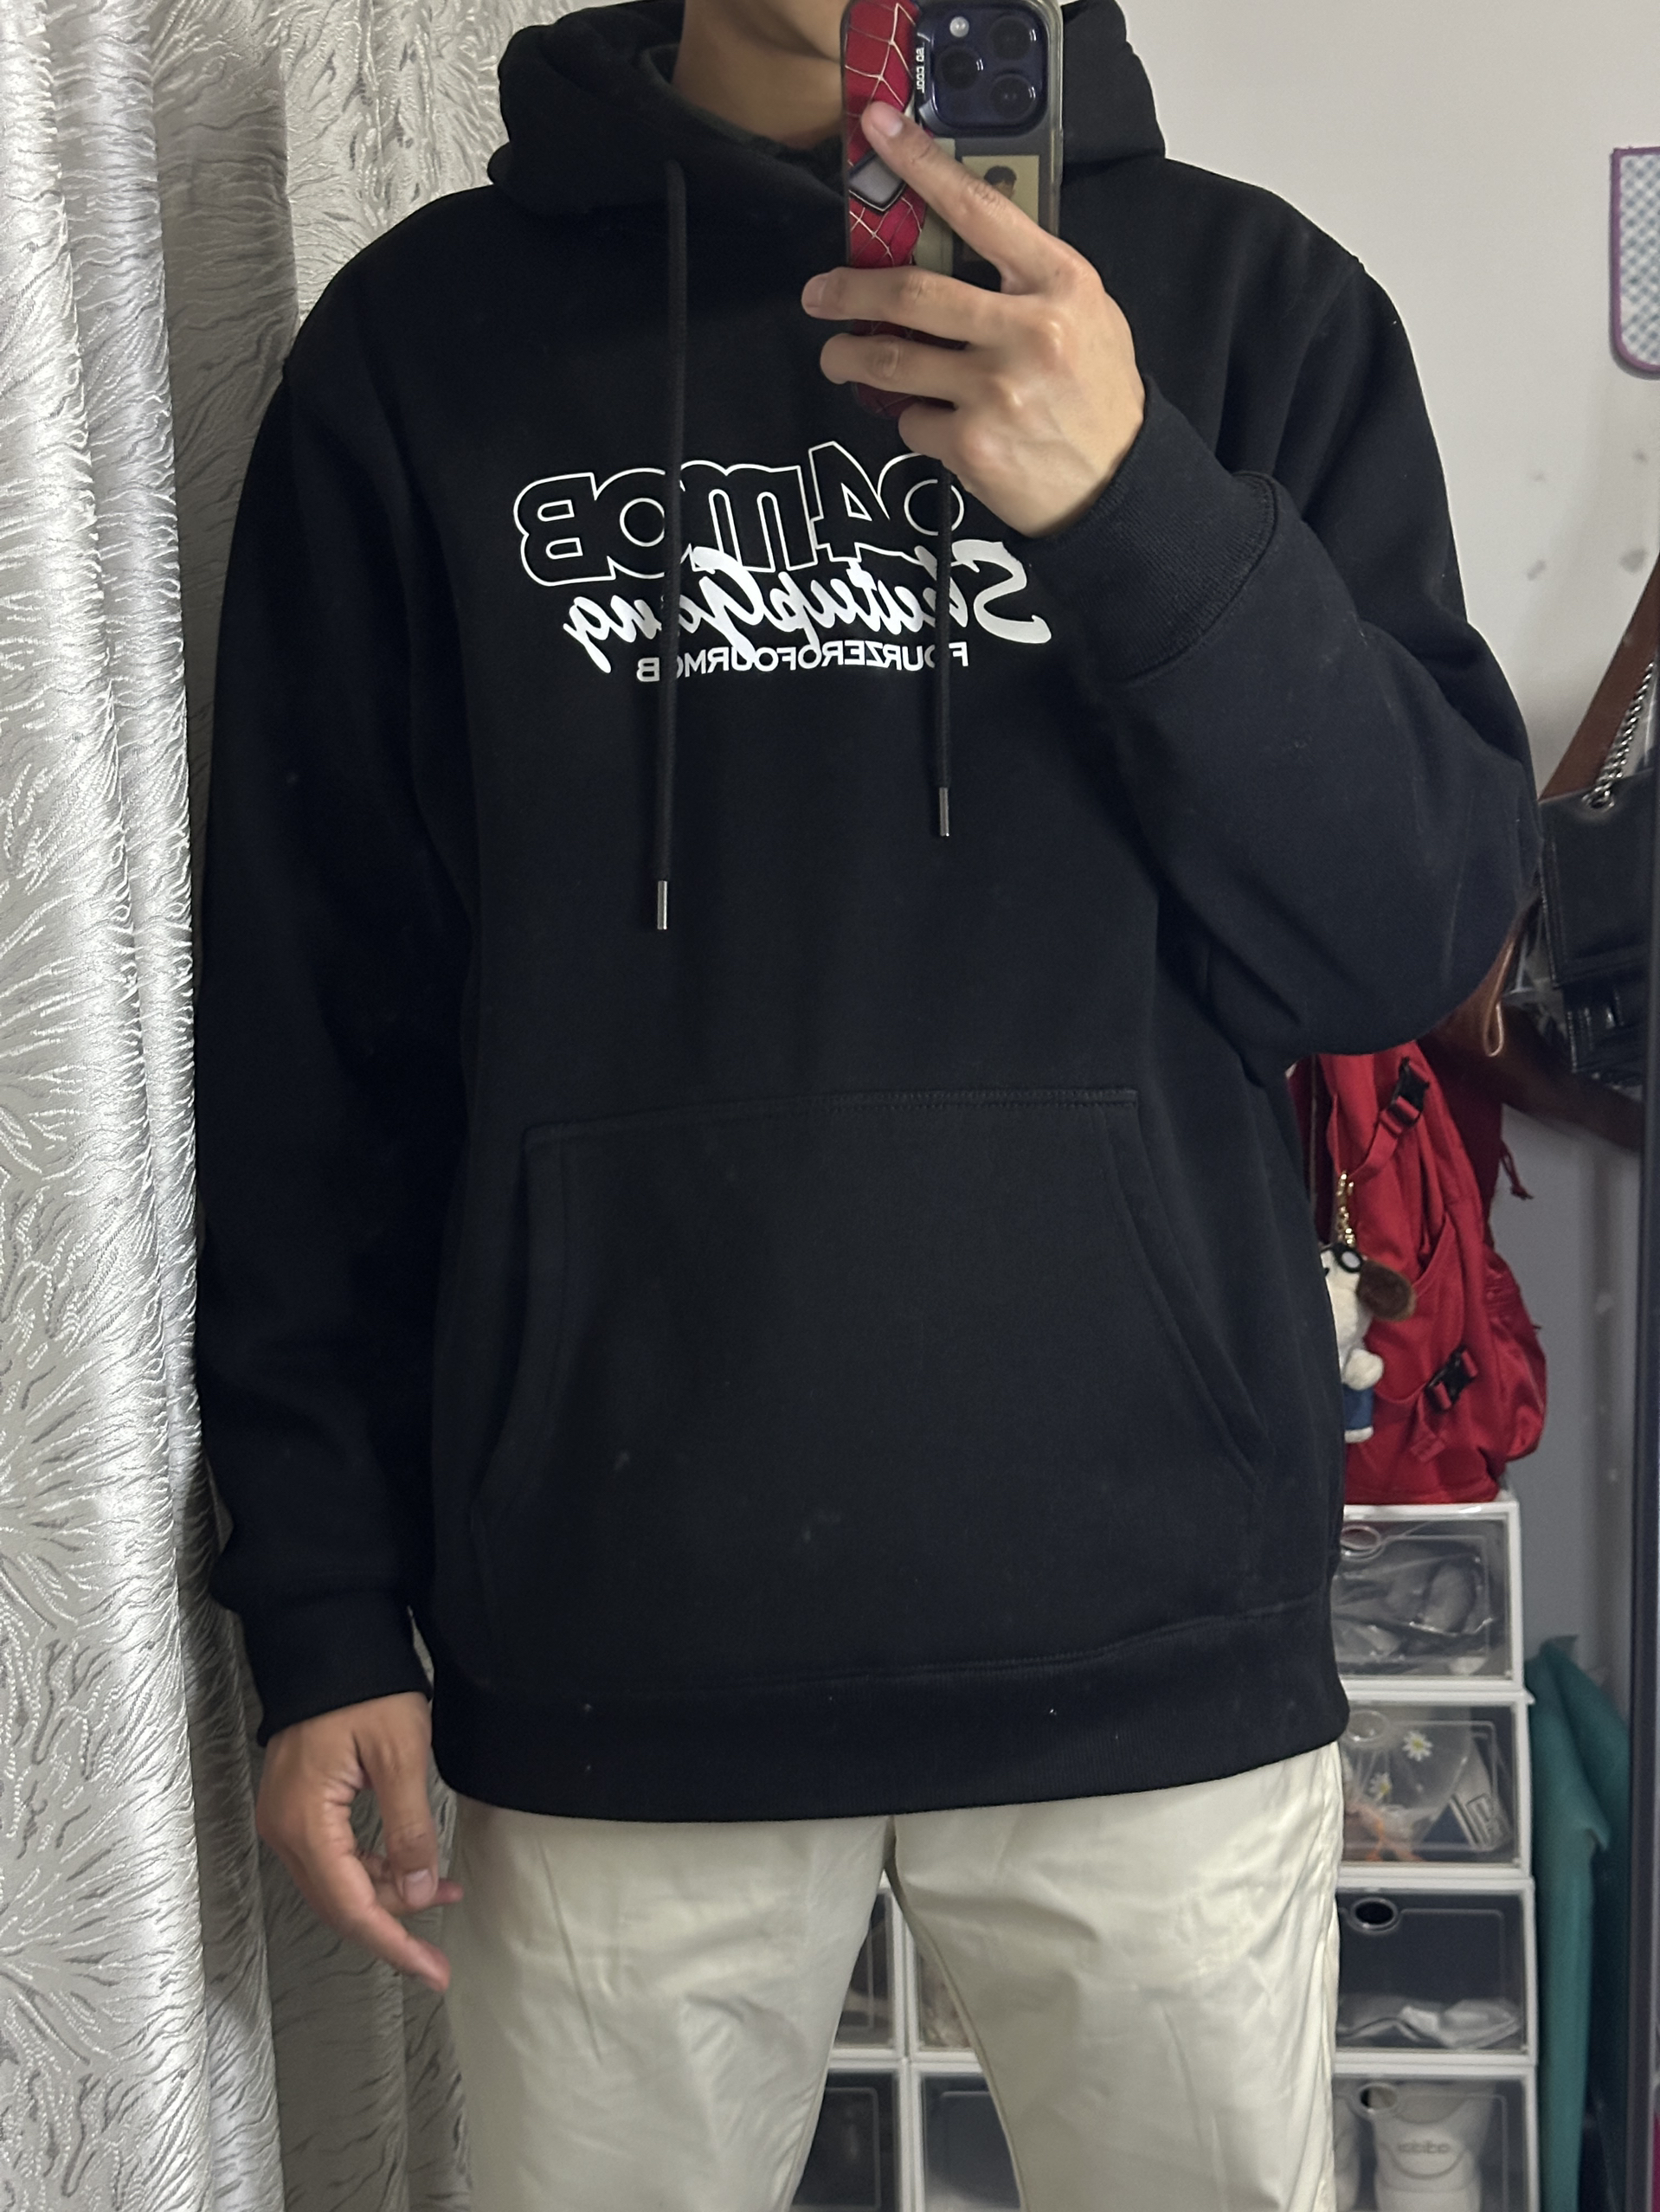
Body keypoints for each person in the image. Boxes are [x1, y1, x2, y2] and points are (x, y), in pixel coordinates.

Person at [193, 0, 1538, 2204]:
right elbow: (310, 1029)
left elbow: (1404, 935)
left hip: (1147, 1643)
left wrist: (1128, 502)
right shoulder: (421, 346)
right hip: (607, 1639)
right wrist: (323, 1603)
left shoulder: (1247, 306)